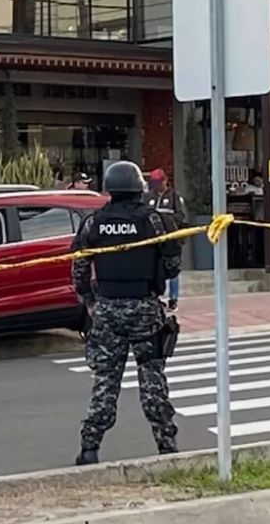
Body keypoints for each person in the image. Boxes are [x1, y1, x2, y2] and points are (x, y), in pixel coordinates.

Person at [71, 160, 182, 465]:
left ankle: (89, 448)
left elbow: (79, 265)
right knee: (152, 380)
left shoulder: (94, 223)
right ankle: (167, 448)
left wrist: (89, 301)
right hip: (145, 308)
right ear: (138, 188)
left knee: (105, 381)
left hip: (106, 310)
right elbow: (173, 265)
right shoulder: (156, 222)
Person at [144, 169, 186, 312]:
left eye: (159, 182)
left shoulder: (174, 197)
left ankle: (173, 299)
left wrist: (165, 221)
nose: (156, 185)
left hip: (171, 239)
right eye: (154, 183)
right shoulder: (148, 197)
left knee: (172, 268)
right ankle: (155, 295)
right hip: (153, 239)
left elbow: (181, 216)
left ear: (165, 180)